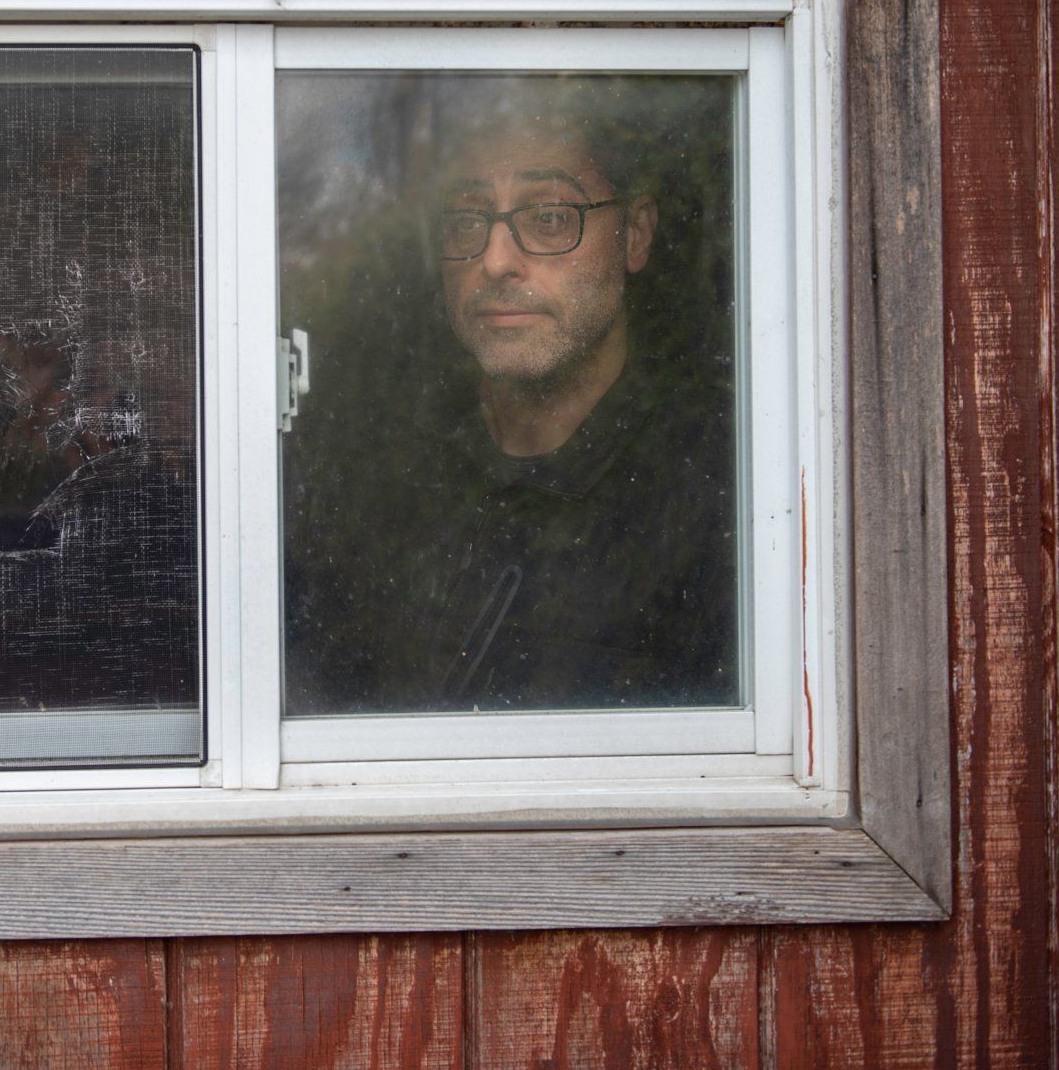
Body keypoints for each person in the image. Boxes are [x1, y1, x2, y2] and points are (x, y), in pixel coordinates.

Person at [282, 84, 738, 714]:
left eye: (549, 217)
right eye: (468, 220)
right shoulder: (378, 476)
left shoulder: (724, 494)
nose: (495, 260)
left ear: (634, 235)